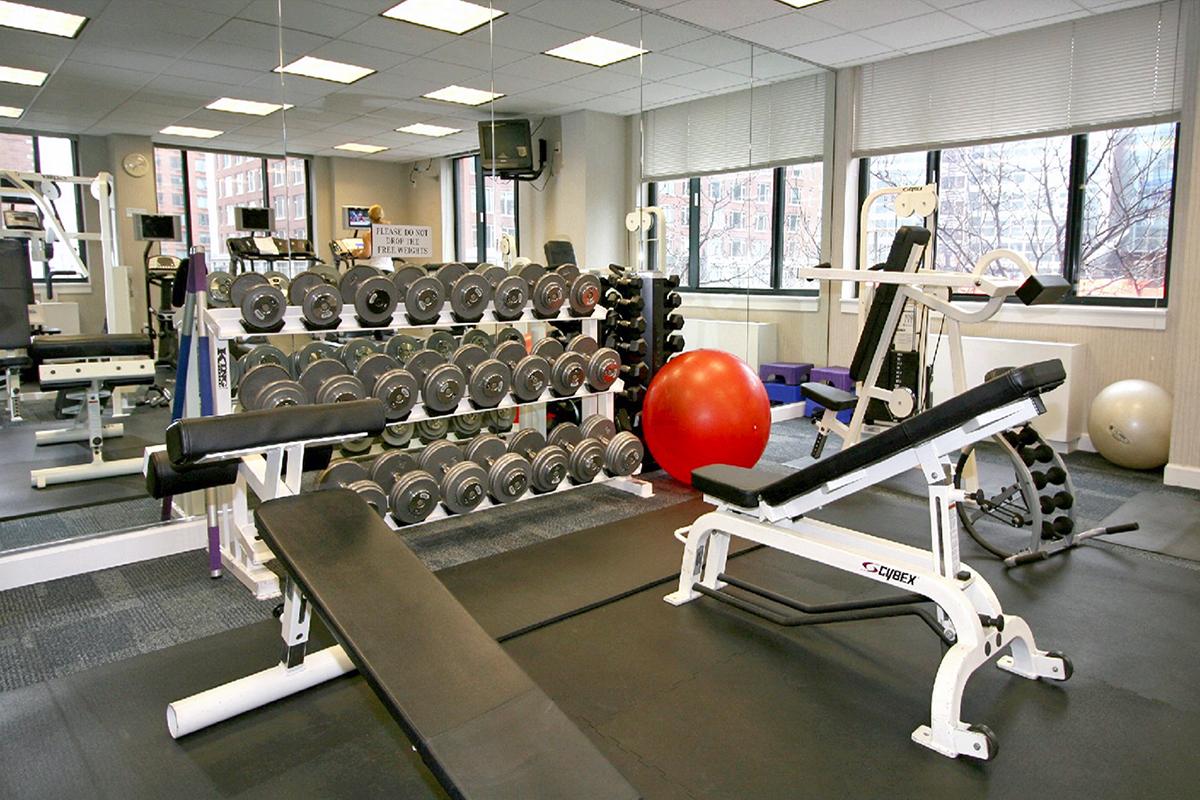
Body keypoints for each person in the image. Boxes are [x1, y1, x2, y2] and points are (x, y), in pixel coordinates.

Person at [352, 205, 395, 271]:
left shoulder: (368, 235)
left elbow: (366, 254)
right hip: (389, 270)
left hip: (376, 270)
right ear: (382, 215)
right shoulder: (391, 232)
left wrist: (357, 254)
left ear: (370, 217)